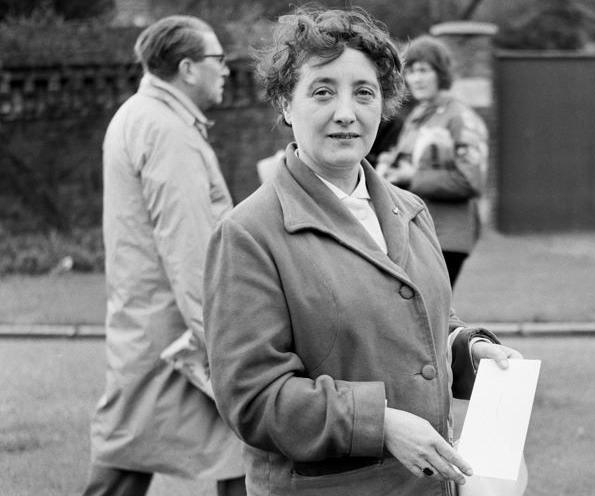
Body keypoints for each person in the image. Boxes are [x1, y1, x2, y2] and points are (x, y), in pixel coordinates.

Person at [202, 7, 522, 496]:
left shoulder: (410, 208)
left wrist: (468, 350)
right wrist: (381, 424)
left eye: (364, 92)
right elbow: (253, 397)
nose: (346, 112)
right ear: (287, 104)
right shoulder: (247, 233)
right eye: (323, 91)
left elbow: (420, 327)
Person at [82, 15, 245, 496]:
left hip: (156, 329)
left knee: (134, 455)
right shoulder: (165, 129)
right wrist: (222, 341)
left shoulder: (146, 116)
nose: (227, 70)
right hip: (177, 337)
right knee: (233, 452)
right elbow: (191, 246)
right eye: (219, 60)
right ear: (189, 68)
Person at [376, 34, 489, 288]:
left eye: (424, 70)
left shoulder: (460, 118)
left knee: (430, 315)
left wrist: (412, 178)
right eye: (412, 71)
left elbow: (471, 181)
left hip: (448, 237)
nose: (416, 78)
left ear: (441, 73)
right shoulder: (417, 116)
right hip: (418, 234)